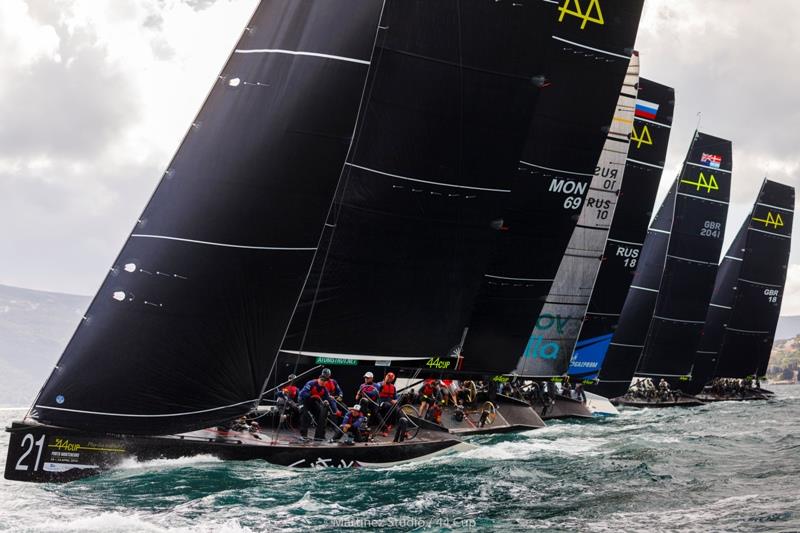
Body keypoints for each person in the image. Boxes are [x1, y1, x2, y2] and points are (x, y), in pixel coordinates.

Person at [298, 372, 337, 440]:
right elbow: (302, 394)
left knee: (321, 416)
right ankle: (303, 435)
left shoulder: (324, 389)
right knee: (306, 415)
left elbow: (328, 398)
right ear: (318, 379)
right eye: (321, 380)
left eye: (324, 381)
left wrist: (334, 410)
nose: (322, 382)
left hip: (312, 402)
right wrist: (310, 395)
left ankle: (319, 435)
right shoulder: (311, 383)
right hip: (303, 401)